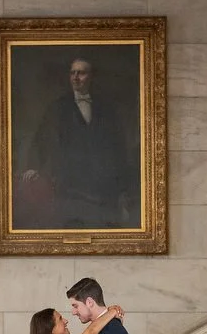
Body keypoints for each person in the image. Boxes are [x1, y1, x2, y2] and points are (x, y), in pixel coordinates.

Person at [18, 56, 139, 230]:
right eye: (72, 73)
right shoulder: (57, 107)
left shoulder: (106, 109)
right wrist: (33, 166)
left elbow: (118, 145)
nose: (75, 77)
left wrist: (122, 185)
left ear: (91, 77)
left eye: (81, 73)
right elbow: (42, 139)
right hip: (70, 185)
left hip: (102, 186)